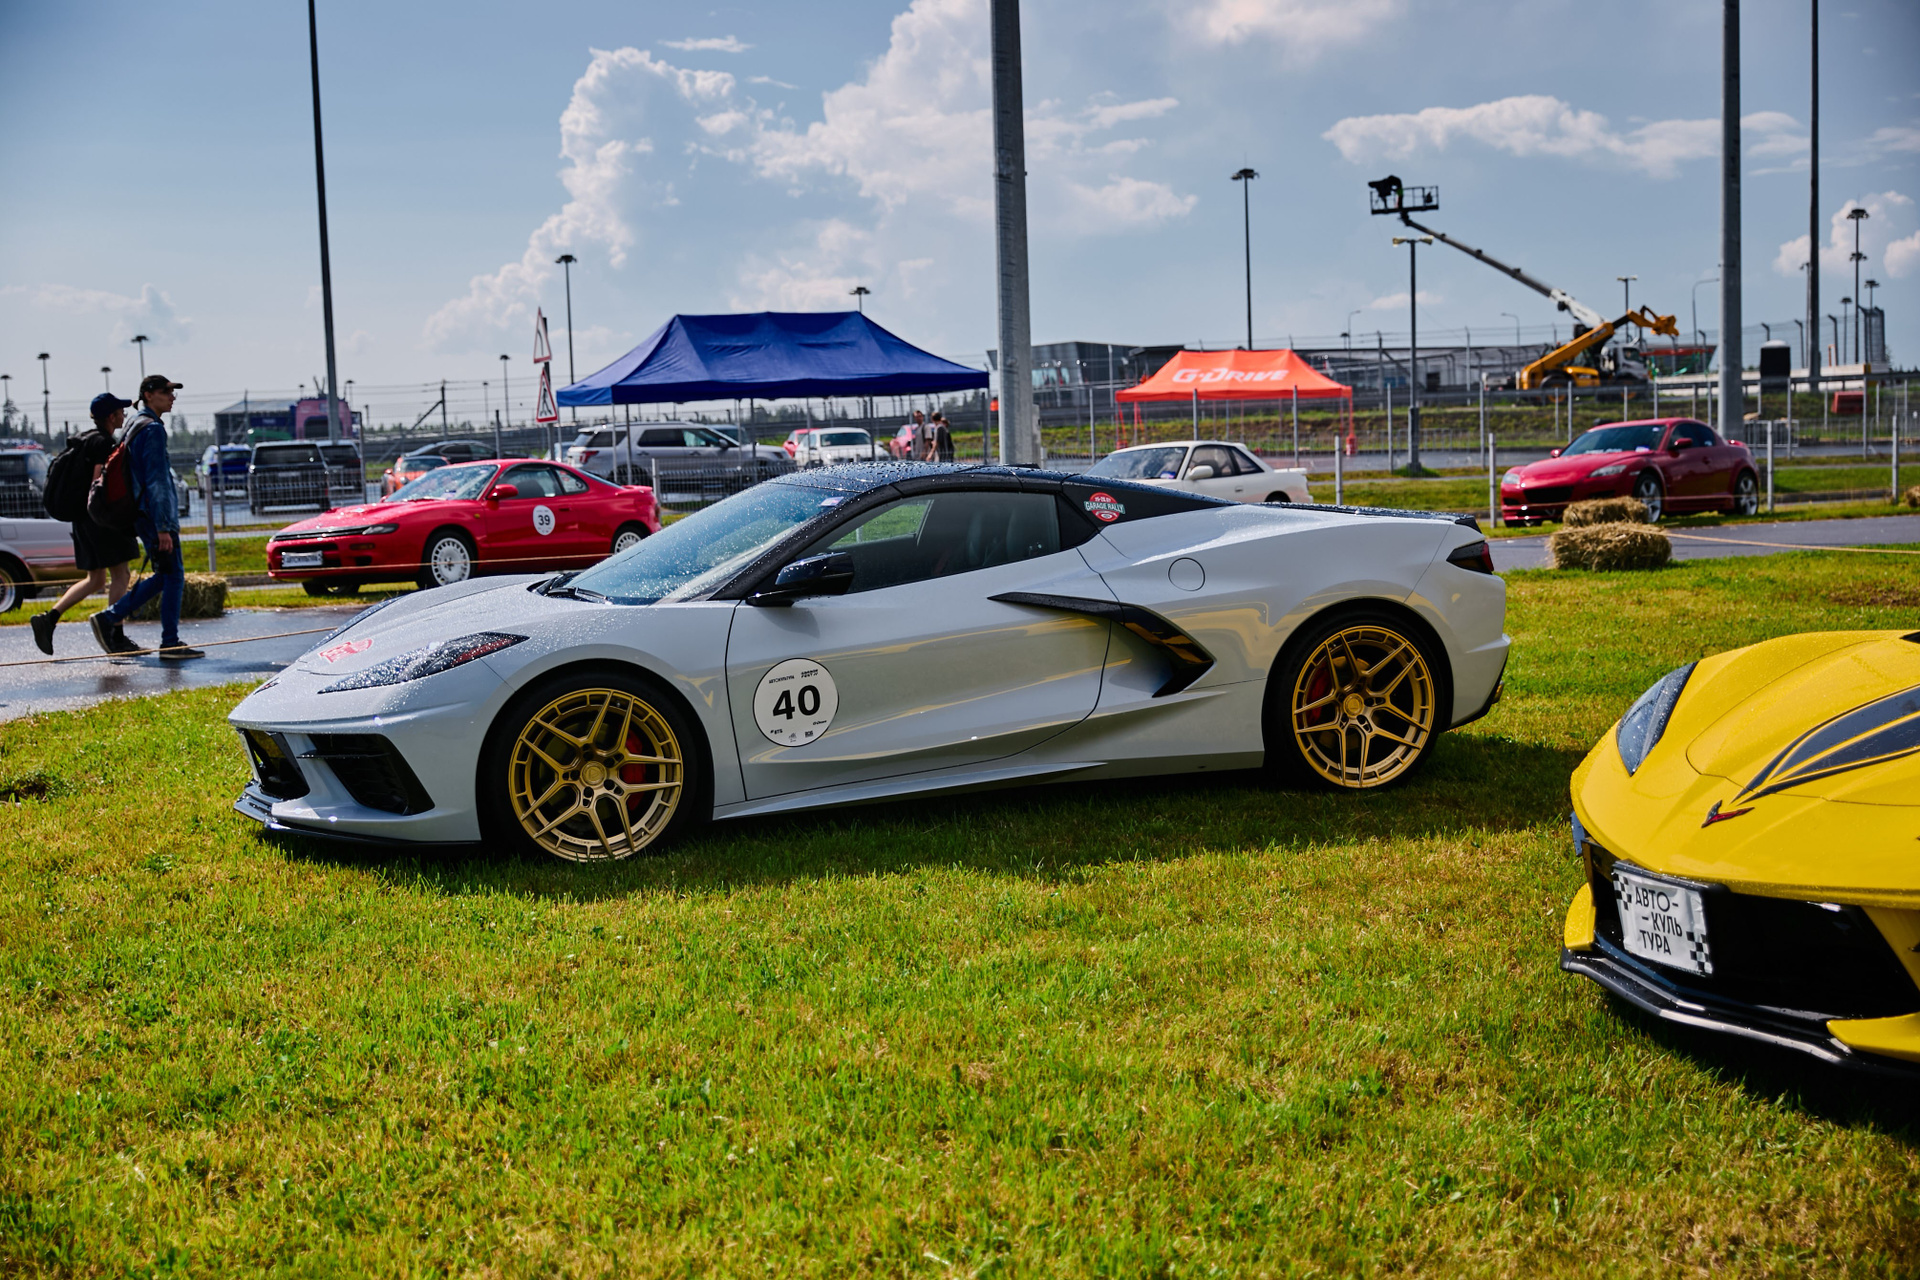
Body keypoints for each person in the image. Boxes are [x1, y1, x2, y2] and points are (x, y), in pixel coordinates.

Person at [87, 374, 203, 660]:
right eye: (166, 391)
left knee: (167, 574)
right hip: (154, 516)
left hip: (141, 513)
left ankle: (116, 619)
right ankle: (165, 641)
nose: (172, 397)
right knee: (173, 575)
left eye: (173, 392)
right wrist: (164, 526)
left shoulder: (133, 423)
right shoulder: (152, 430)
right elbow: (156, 481)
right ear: (148, 394)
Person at [29, 394, 139, 655]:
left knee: (96, 579)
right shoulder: (103, 443)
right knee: (121, 574)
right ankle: (115, 634)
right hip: (100, 519)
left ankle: (49, 619)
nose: (123, 416)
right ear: (111, 416)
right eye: (120, 412)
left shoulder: (84, 439)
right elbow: (98, 483)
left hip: (82, 520)